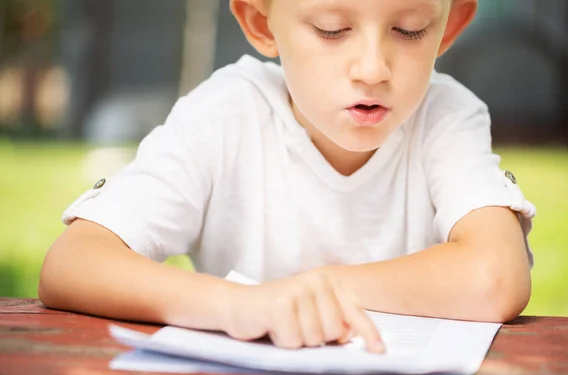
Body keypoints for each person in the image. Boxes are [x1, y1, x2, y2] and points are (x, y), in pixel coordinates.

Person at [39, 0, 536, 354]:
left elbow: (496, 276)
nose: (372, 69)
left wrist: (314, 289)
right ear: (262, 21)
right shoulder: (225, 114)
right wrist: (240, 306)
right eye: (331, 28)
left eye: (408, 30)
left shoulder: (445, 117)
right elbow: (72, 262)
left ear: (450, 26)